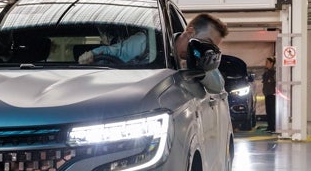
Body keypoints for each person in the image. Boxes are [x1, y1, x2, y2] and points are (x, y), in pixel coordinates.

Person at [77, 12, 229, 65]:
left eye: (211, 48)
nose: (206, 49)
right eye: (206, 43)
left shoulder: (195, 64)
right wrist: (93, 55)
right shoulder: (148, 43)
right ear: (190, 32)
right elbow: (115, 52)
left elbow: (216, 86)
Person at [262, 56, 277, 132]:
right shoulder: (267, 72)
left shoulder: (274, 73)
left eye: (267, 62)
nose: (266, 64)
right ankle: (270, 126)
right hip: (267, 94)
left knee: (272, 111)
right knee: (268, 111)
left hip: (272, 94)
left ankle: (273, 127)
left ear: (272, 63)